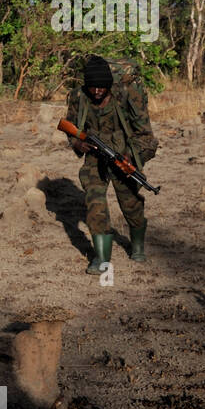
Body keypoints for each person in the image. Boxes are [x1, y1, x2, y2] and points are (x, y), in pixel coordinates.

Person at [65, 55, 159, 273]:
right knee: (94, 203)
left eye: (102, 87)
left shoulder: (126, 95)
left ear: (110, 85)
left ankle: (137, 246)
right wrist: (78, 143)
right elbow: (69, 124)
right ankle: (101, 258)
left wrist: (132, 159)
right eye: (92, 87)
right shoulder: (79, 96)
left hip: (123, 153)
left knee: (131, 204)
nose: (97, 91)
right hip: (94, 156)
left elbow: (146, 136)